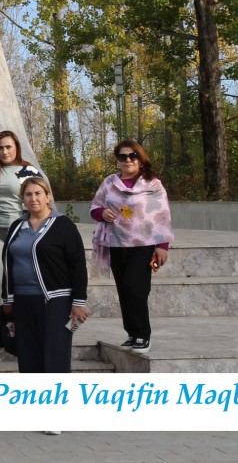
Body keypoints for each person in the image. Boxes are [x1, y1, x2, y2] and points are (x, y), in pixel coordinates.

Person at [90, 140, 173, 354]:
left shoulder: (152, 184)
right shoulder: (110, 183)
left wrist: (162, 245)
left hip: (143, 244)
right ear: (117, 161)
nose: (128, 160)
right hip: (116, 243)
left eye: (132, 156)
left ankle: (143, 334)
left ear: (140, 159)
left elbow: (162, 215)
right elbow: (95, 207)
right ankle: (132, 333)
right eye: (122, 156)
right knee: (124, 289)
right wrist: (102, 213)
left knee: (135, 287)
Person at [2, 175, 89, 375]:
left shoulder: (63, 225)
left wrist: (79, 301)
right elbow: (7, 263)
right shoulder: (17, 226)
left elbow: (78, 265)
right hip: (22, 301)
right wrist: (8, 298)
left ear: (47, 196)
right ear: (23, 199)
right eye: (28, 194)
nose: (33, 198)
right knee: (28, 356)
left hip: (56, 301)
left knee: (55, 357)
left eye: (38, 193)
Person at [0, 130, 44, 349]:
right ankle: (1, 329)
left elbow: (42, 200)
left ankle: (25, 328)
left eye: (8, 147)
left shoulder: (27, 170)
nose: (5, 151)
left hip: (18, 230)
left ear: (16, 147)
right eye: (0, 148)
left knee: (20, 278)